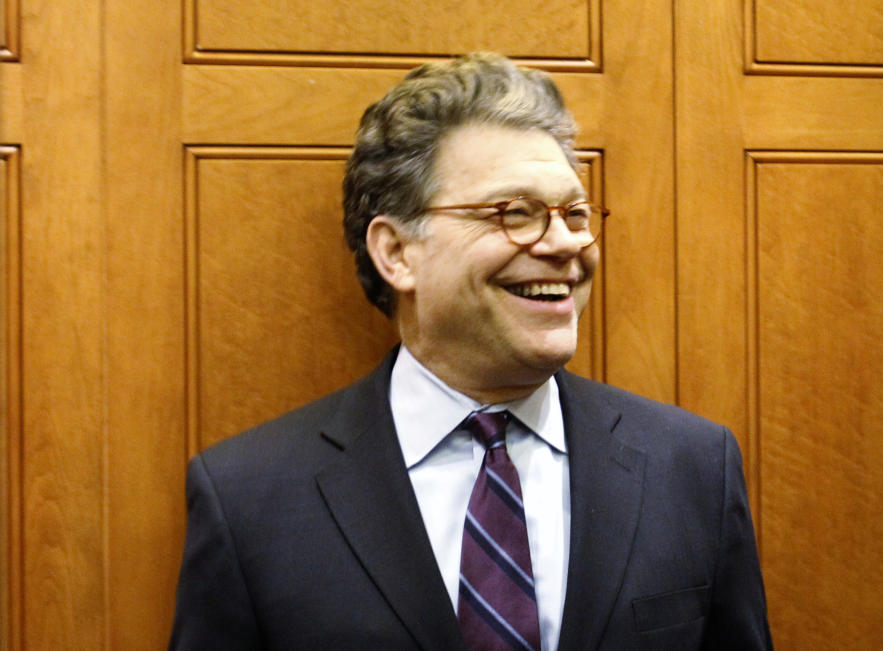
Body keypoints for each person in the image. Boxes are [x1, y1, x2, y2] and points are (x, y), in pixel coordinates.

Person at [169, 52, 772, 650]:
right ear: (398, 252)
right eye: (516, 213)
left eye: (576, 213)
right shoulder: (250, 498)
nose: (566, 244)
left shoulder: (693, 469)